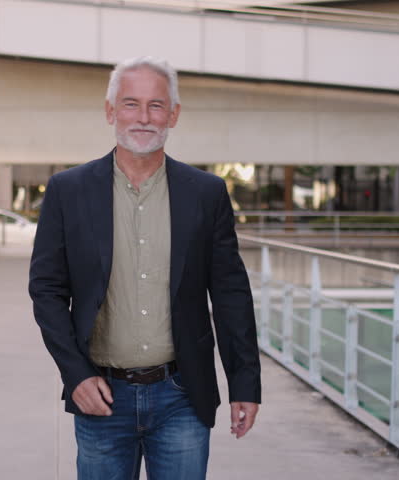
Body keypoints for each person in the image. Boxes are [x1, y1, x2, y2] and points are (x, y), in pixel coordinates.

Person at [28, 56, 261, 479]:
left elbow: (230, 294)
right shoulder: (68, 191)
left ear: (173, 114)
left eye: (156, 105)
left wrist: (244, 384)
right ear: (110, 111)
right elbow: (46, 291)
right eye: (131, 104)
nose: (143, 117)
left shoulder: (206, 193)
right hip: (100, 395)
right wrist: (75, 375)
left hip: (182, 396)